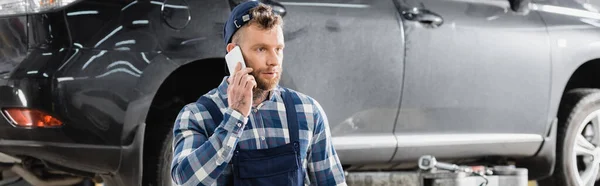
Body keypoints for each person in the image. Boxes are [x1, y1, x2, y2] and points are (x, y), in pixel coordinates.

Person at [170, 1, 346, 186]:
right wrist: (235, 117)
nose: (273, 61)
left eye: (278, 49)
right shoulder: (197, 115)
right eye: (261, 49)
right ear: (233, 53)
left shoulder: (308, 112)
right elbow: (186, 181)